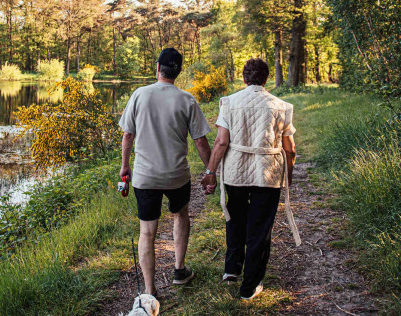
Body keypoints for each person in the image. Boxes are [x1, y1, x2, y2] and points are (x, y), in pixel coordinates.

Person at [201, 58, 301, 300]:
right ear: (266, 79)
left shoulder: (229, 102)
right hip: (268, 174)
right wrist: (288, 175)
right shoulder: (281, 106)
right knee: (260, 228)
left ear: (244, 78)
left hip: (235, 173)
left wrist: (210, 172)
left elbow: (221, 142)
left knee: (235, 219)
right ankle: (250, 286)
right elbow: (290, 149)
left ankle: (231, 269)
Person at [119, 47, 212, 297]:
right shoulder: (187, 100)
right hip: (176, 175)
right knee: (181, 214)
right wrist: (210, 170)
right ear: (178, 72)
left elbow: (127, 135)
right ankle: (179, 270)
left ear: (158, 68)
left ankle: (150, 291)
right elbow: (200, 141)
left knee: (147, 231)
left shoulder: (139, 94)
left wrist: (125, 166)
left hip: (145, 176)